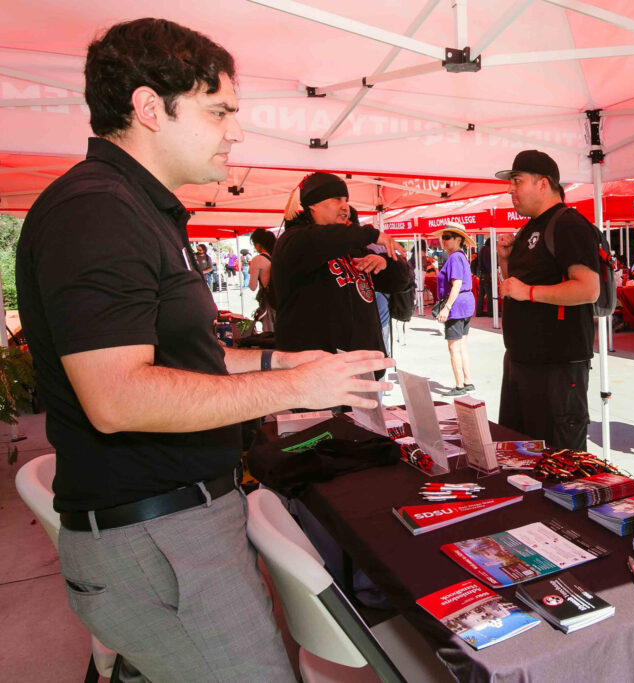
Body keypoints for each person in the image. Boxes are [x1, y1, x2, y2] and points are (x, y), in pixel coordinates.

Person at [14, 18, 393, 681]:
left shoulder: (131, 207)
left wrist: (285, 363)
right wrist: (296, 389)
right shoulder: (96, 212)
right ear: (149, 108)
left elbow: (185, 362)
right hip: (161, 540)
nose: (236, 131)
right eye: (220, 111)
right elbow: (119, 394)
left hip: (174, 531)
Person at [496, 150, 600, 451]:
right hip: (522, 362)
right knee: (520, 457)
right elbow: (524, 284)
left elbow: (587, 289)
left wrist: (528, 292)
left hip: (556, 368)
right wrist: (506, 263)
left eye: (517, 181)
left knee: (559, 462)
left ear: (543, 183)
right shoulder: (531, 227)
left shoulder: (569, 224)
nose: (510, 189)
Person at [272, 172, 408, 362]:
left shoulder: (353, 247)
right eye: (337, 199)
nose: (345, 207)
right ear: (312, 204)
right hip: (315, 371)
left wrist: (385, 263)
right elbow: (321, 239)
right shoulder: (294, 242)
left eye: (346, 200)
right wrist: (371, 234)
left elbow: (402, 282)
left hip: (362, 367)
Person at [434, 223, 477, 396]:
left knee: (454, 347)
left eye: (447, 237)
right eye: (442, 237)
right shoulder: (460, 256)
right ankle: (467, 381)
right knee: (462, 345)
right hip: (466, 303)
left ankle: (459, 385)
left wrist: (447, 307)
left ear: (458, 239)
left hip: (458, 305)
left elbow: (457, 283)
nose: (443, 241)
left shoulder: (454, 258)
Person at [248, 227, 276, 332]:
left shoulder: (257, 259)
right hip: (281, 301)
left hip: (268, 301)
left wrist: (252, 269)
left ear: (259, 244)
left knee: (269, 334)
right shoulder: (275, 256)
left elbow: (252, 286)